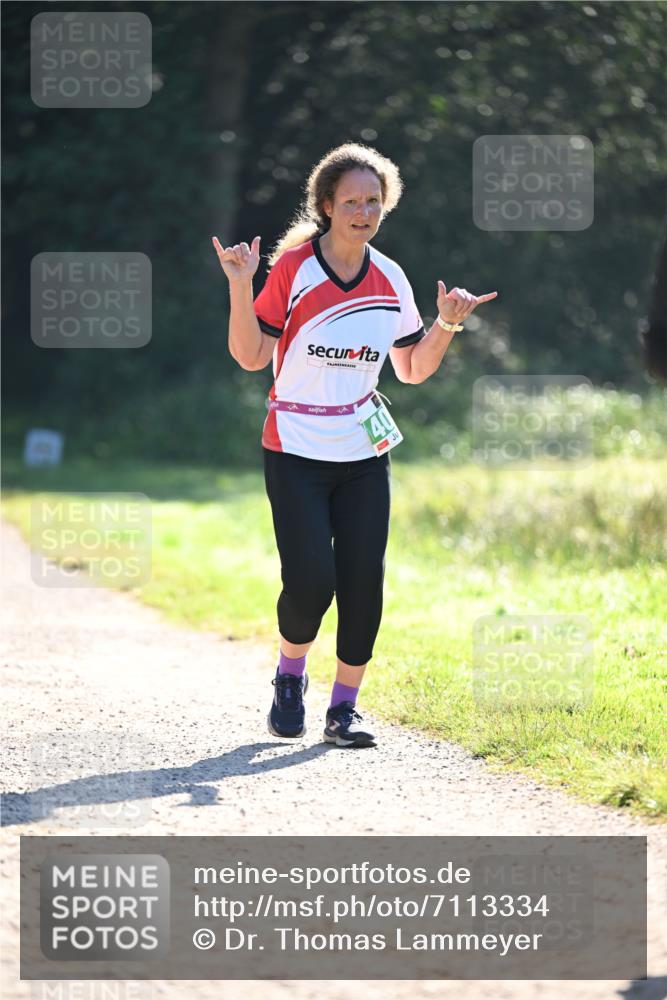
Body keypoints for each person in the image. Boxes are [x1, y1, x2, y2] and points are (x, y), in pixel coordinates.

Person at [212, 142, 497, 748]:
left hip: (363, 453)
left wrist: (447, 323)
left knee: (364, 582)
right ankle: (290, 678)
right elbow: (251, 356)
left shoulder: (390, 277)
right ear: (326, 206)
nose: (363, 212)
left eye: (373, 201)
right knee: (311, 581)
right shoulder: (296, 269)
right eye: (351, 202)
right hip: (295, 447)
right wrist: (240, 286)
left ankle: (344, 710)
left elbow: (412, 369)